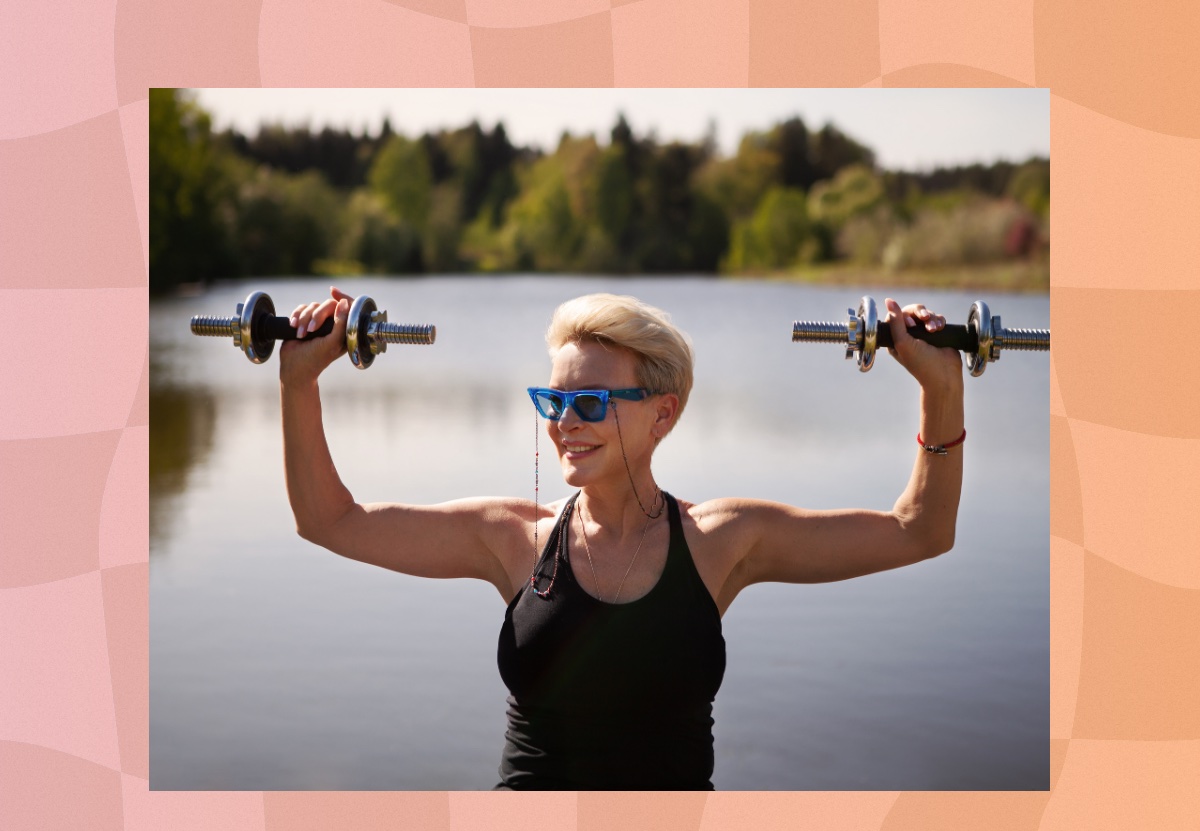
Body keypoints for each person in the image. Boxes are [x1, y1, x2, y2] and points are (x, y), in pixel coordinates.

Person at [279, 287, 964, 791]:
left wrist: (941, 388)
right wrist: (298, 381)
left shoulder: (722, 541)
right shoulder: (513, 539)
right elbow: (330, 520)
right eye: (553, 401)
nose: (564, 422)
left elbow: (920, 530)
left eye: (590, 402)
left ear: (661, 413)